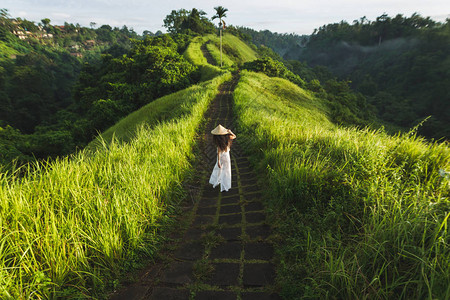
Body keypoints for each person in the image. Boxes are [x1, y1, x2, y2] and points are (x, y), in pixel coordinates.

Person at [209, 124, 236, 192]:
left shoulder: (219, 141)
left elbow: (218, 152)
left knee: (218, 169)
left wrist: (218, 161)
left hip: (221, 157)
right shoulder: (228, 138)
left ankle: (217, 181)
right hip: (226, 157)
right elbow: (234, 136)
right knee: (226, 171)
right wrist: (230, 132)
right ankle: (225, 185)